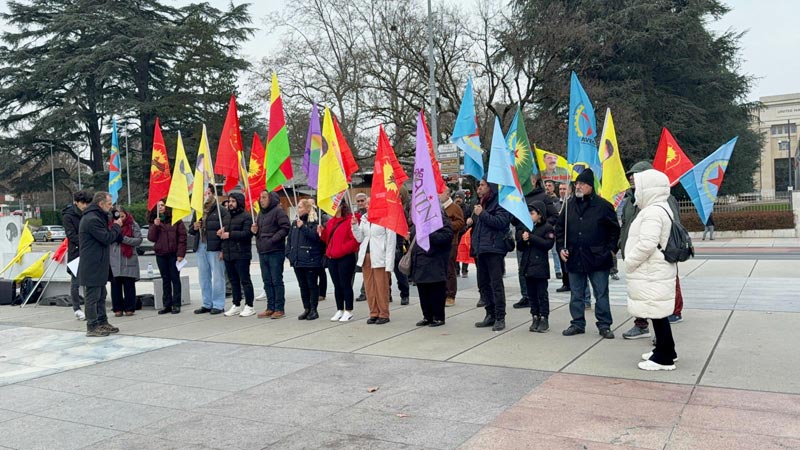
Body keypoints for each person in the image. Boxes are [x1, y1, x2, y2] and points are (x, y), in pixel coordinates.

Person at [620, 161, 685, 340]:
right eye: (630, 175)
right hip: (641, 259)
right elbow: (626, 224)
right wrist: (622, 243)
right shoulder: (632, 200)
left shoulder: (657, 206)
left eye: (636, 175)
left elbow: (650, 241)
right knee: (645, 299)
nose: (631, 178)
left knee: (655, 302)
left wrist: (631, 261)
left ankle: (663, 341)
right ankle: (646, 329)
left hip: (652, 261)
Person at [555, 169, 620, 339]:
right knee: (576, 294)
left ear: (591, 186)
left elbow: (614, 230)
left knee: (601, 293)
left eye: (582, 184)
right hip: (575, 257)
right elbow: (560, 229)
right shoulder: (569, 205)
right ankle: (577, 323)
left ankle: (604, 325)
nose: (578, 186)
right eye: (577, 183)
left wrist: (610, 250)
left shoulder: (603, 206)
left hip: (598, 258)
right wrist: (561, 247)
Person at [624, 169, 678, 371]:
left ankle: (664, 358)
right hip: (655, 269)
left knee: (656, 312)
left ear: (648, 188)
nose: (636, 191)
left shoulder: (653, 212)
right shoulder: (660, 208)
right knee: (657, 312)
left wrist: (630, 261)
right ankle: (666, 349)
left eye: (638, 187)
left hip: (651, 270)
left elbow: (647, 243)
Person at [78, 192, 123, 337]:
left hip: (100, 261)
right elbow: (106, 238)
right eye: (109, 204)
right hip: (92, 263)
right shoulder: (92, 219)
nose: (111, 207)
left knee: (102, 294)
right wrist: (116, 227)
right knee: (92, 296)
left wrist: (113, 219)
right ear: (101, 204)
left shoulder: (99, 216)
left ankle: (102, 322)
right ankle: (92, 326)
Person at [471, 179, 512, 332]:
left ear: (490, 187)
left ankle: (500, 317)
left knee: (496, 284)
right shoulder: (481, 202)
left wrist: (482, 214)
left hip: (494, 248)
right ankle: (490, 313)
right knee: (483, 284)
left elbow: (500, 222)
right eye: (479, 185)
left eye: (482, 185)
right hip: (481, 248)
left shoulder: (500, 202)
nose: (479, 188)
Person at [514, 176, 558, 309]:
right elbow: (514, 220)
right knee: (522, 267)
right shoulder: (518, 196)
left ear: (534, 181)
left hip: (538, 241)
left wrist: (540, 227)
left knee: (537, 272)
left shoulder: (543, 197)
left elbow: (554, 216)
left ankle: (540, 306)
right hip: (523, 236)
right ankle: (526, 296)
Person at [190, 184, 229, 315]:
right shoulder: (198, 210)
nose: (204, 196)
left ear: (212, 194)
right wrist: (195, 227)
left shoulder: (221, 210)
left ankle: (218, 304)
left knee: (218, 276)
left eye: (207, 193)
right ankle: (206, 303)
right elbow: (191, 230)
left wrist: (223, 249)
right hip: (201, 245)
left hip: (215, 246)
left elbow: (226, 229)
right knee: (203, 276)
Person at [354, 203, 396, 324]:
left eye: (370, 203)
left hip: (379, 256)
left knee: (381, 286)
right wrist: (354, 226)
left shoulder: (386, 217)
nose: (367, 206)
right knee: (369, 287)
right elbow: (360, 238)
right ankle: (373, 312)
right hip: (366, 256)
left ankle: (384, 313)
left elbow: (391, 241)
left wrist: (389, 262)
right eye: (367, 204)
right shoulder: (364, 218)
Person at [319, 201, 360, 322]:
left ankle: (349, 310)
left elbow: (355, 240)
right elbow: (327, 239)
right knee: (337, 285)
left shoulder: (350, 221)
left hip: (345, 257)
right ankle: (340, 309)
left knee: (345, 284)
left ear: (341, 206)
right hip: (332, 258)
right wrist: (322, 233)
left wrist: (342, 249)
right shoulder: (331, 222)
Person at [517, 201, 555, 333]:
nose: (530, 215)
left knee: (541, 294)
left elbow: (547, 244)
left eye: (532, 213)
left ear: (540, 214)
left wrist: (531, 238)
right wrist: (523, 239)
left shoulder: (547, 228)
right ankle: (535, 315)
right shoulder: (527, 227)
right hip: (528, 266)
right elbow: (520, 247)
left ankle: (544, 317)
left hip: (540, 267)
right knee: (531, 294)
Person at [411, 210, 453, 327]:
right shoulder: (419, 220)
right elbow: (415, 234)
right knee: (423, 291)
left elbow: (446, 237)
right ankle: (427, 316)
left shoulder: (441, 219)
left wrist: (428, 233)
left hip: (435, 261)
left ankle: (438, 317)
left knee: (436, 291)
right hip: (420, 260)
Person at [253, 191, 290, 319]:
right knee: (267, 280)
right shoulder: (260, 213)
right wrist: (255, 232)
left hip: (275, 251)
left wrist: (273, 239)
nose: (261, 200)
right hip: (263, 251)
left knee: (276, 280)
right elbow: (260, 232)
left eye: (264, 197)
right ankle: (270, 307)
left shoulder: (278, 211)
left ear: (271, 199)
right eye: (260, 197)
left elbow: (285, 228)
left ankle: (279, 308)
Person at [147, 199, 187, 315]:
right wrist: (155, 226)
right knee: (165, 279)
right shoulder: (154, 221)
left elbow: (182, 237)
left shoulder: (176, 219)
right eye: (158, 206)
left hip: (173, 254)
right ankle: (167, 304)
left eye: (162, 205)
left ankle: (176, 304)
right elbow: (151, 238)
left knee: (175, 278)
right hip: (161, 254)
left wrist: (180, 254)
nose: (160, 207)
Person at [286, 199, 323, 320]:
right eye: (298, 207)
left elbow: (315, 237)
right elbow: (290, 240)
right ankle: (306, 308)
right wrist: (289, 254)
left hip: (310, 259)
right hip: (297, 260)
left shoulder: (314, 222)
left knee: (312, 285)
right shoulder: (295, 223)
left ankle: (314, 309)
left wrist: (303, 227)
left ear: (307, 209)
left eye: (300, 207)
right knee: (302, 286)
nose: (298, 209)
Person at [221, 192, 256, 317]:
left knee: (245, 280)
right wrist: (221, 233)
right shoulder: (227, 217)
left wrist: (230, 234)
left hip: (241, 253)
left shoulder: (246, 217)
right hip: (229, 253)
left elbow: (247, 234)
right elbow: (225, 235)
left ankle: (249, 305)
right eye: (229, 201)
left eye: (233, 201)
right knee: (233, 281)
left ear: (239, 202)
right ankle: (236, 304)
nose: (230, 204)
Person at [62, 190, 92, 321]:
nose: (85, 206)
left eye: (87, 203)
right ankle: (77, 308)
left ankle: (91, 307)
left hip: (89, 250)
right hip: (76, 252)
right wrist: (86, 242)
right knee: (76, 281)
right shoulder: (68, 216)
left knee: (90, 280)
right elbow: (71, 235)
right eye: (82, 203)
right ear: (76, 202)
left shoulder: (89, 213)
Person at [109, 207, 142, 317]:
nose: (120, 218)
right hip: (114, 259)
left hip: (128, 258)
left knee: (129, 285)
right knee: (115, 286)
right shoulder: (110, 225)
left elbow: (138, 240)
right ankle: (117, 308)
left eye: (122, 215)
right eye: (118, 215)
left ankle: (130, 308)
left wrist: (124, 239)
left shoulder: (132, 224)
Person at [440, 187, 465, 307]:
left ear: (448, 194)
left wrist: (446, 225)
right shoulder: (437, 207)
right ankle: (441, 293)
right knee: (440, 269)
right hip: (439, 242)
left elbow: (460, 223)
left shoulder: (455, 208)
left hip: (451, 242)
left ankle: (450, 294)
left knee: (450, 269)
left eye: (441, 192)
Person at [354, 193, 369, 302]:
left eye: (362, 201)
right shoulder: (354, 214)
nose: (360, 203)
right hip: (356, 246)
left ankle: (365, 292)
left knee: (367, 271)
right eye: (358, 201)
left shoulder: (369, 214)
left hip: (367, 246)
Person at [455, 191, 473, 278]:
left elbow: (470, 219)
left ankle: (464, 270)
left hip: (464, 233)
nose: (458, 199)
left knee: (465, 252)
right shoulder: (452, 208)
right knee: (455, 252)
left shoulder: (467, 208)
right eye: (456, 197)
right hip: (455, 234)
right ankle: (456, 270)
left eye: (460, 198)